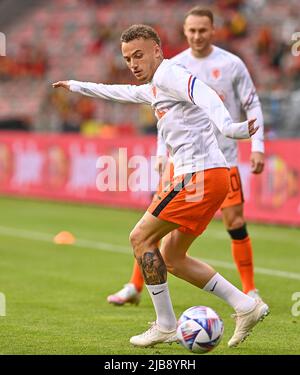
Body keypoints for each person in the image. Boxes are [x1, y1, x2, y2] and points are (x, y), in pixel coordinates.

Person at [53, 24, 269, 348]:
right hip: (210, 176)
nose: (133, 64)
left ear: (157, 50)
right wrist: (76, 85)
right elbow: (118, 92)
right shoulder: (156, 87)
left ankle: (166, 325)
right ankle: (245, 305)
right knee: (171, 256)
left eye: (139, 55)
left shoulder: (171, 74)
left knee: (140, 238)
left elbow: (203, 91)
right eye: (128, 58)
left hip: (198, 175)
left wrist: (229, 127)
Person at [108, 7, 265, 307]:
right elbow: (162, 115)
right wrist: (159, 154)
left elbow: (251, 103)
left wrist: (257, 145)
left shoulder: (231, 64)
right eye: (191, 31)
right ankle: (134, 285)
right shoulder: (172, 65)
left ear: (213, 30)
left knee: (234, 220)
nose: (196, 35)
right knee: (153, 225)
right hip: (181, 161)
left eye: (202, 30)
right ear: (184, 31)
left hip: (222, 157)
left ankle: (249, 289)